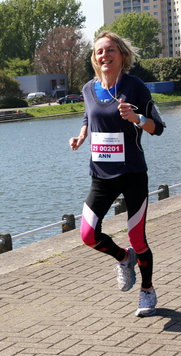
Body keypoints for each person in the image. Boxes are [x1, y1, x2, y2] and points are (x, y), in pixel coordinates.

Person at [69, 31, 165, 317]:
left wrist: (137, 119)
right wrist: (81, 135)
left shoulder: (134, 87)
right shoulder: (88, 88)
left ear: (122, 55)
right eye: (99, 51)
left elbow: (157, 127)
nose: (104, 56)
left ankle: (147, 289)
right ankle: (124, 258)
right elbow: (89, 116)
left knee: (138, 237)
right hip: (101, 174)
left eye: (110, 50)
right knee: (87, 234)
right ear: (94, 58)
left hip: (133, 173)